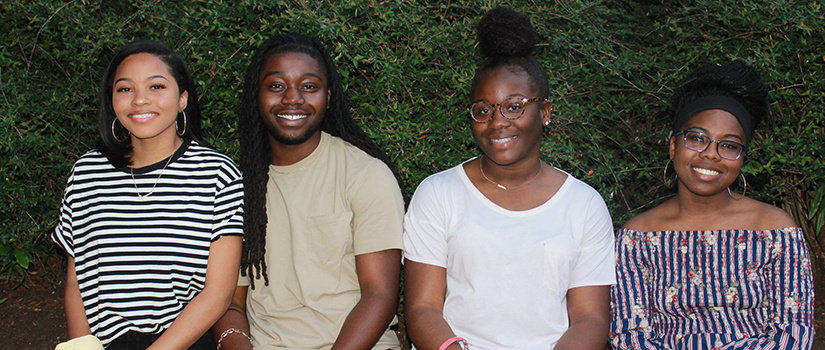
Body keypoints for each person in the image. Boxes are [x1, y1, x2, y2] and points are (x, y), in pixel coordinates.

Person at [402, 7, 616, 350]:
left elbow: (590, 319)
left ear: (544, 112)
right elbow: (422, 308)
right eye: (483, 109)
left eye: (514, 106)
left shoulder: (583, 205)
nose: (497, 121)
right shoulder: (439, 194)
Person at [211, 33, 405, 350]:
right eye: (276, 86)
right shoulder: (238, 187)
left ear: (327, 97)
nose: (292, 98)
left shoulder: (365, 175)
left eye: (309, 86)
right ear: (256, 96)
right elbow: (230, 302)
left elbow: (380, 296)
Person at [51, 40, 244, 349]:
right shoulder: (87, 173)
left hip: (183, 341)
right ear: (111, 100)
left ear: (182, 99)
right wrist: (81, 345)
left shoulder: (217, 174)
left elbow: (218, 294)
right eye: (125, 89)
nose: (140, 100)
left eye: (156, 87)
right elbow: (77, 280)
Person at [610, 62, 814, 349]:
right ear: (673, 146)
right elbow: (629, 335)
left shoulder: (776, 232)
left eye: (729, 145)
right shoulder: (636, 238)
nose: (711, 154)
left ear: (743, 157)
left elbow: (793, 333)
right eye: (697, 138)